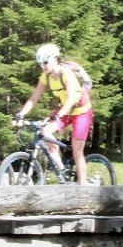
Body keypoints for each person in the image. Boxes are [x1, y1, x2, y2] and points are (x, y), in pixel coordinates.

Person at [14, 43, 93, 185]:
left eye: (45, 62)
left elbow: (72, 99)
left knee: (77, 150)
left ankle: (83, 188)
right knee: (44, 131)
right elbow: (34, 98)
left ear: (55, 59)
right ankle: (62, 170)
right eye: (40, 64)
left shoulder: (66, 74)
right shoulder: (46, 76)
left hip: (81, 112)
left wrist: (59, 115)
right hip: (65, 111)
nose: (43, 66)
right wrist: (20, 114)